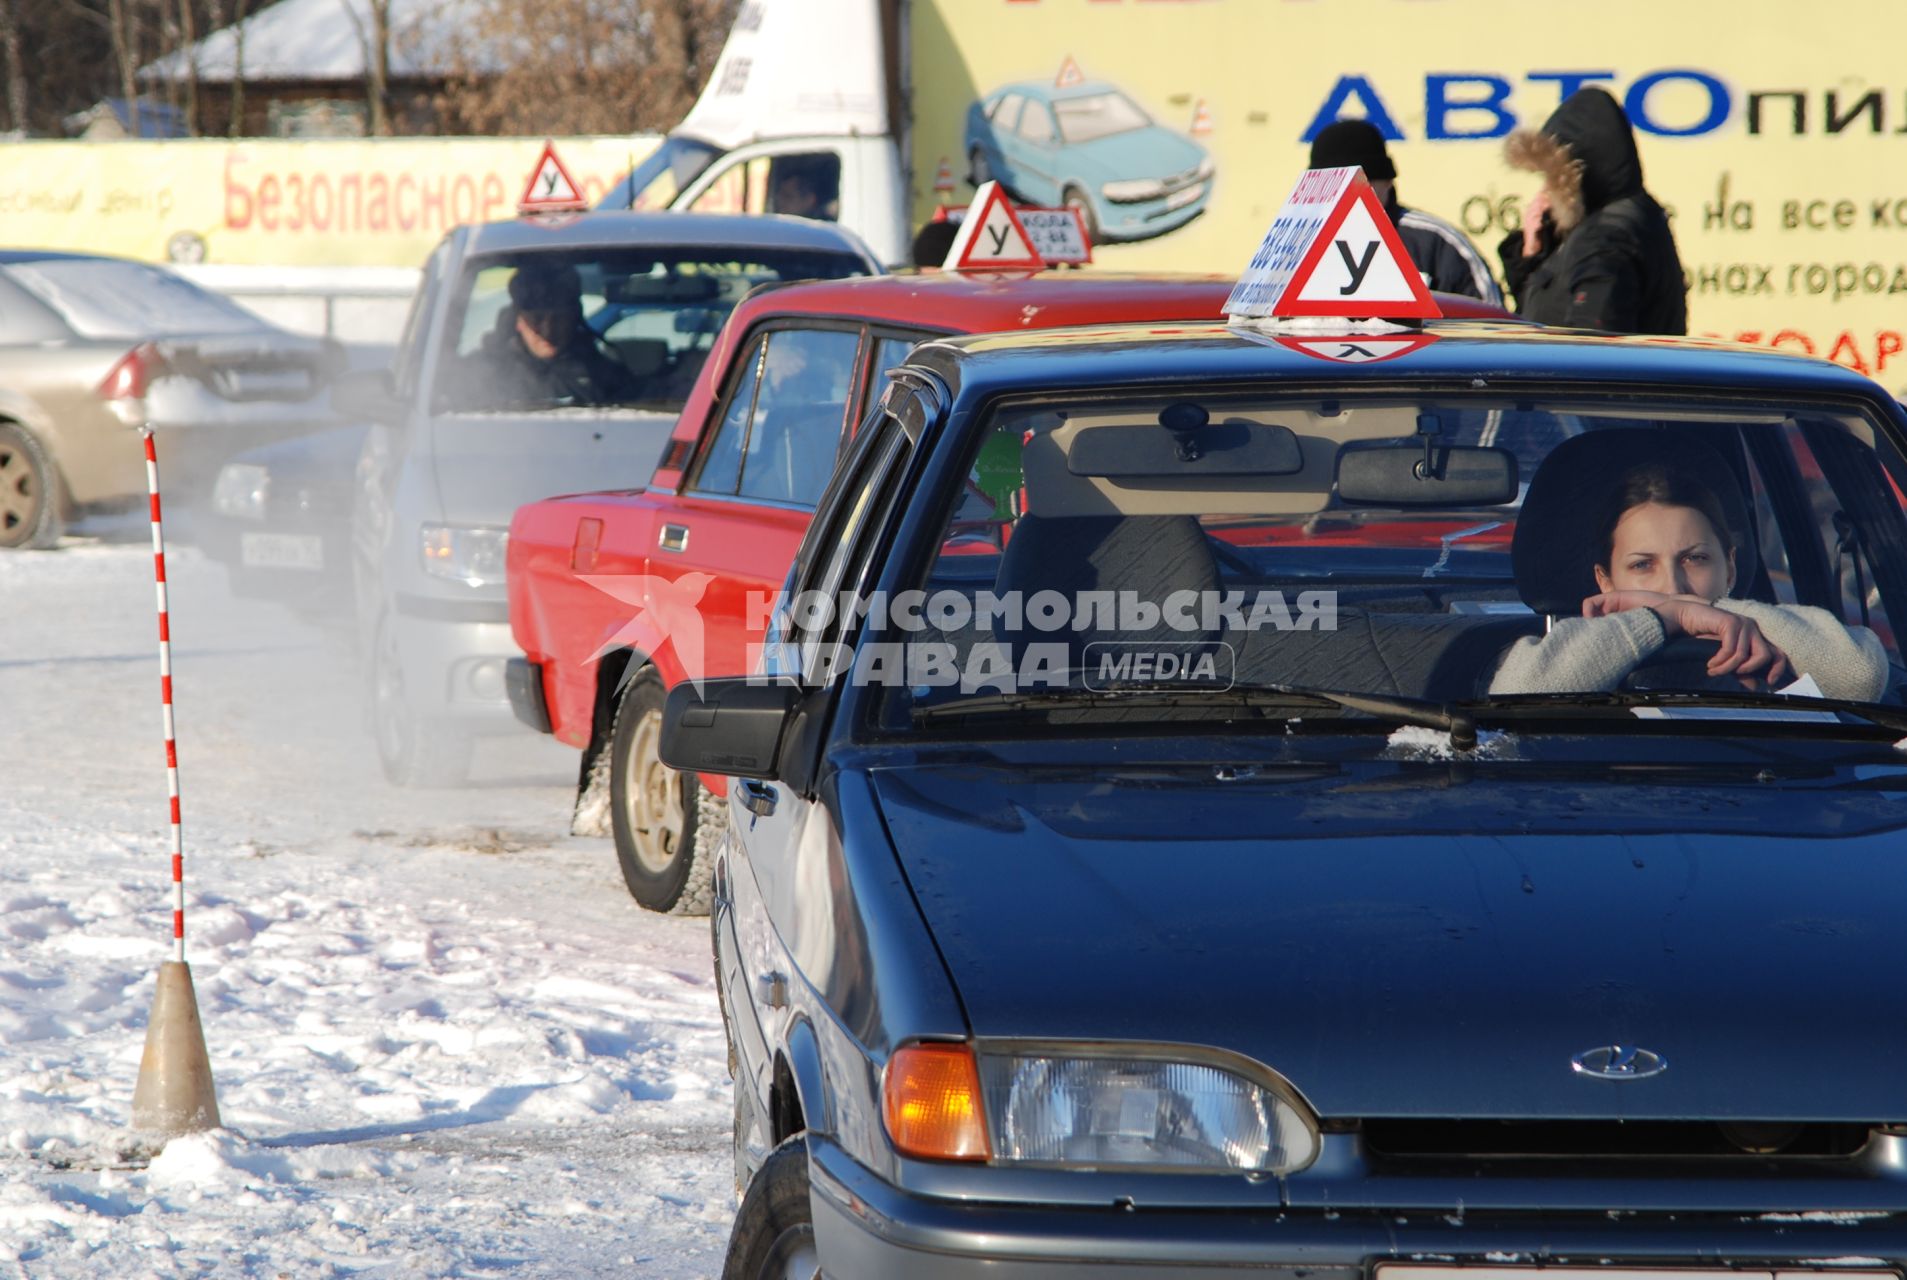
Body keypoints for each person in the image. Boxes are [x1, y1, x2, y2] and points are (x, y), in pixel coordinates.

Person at [1490, 463, 1888, 699]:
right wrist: (1661, 619)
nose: (1673, 586)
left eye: (1695, 559)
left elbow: (1859, 678)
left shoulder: (1775, 633)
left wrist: (1714, 614)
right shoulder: (1569, 650)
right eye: (1643, 565)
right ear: (1605, 581)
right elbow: (1512, 697)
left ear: (1729, 568)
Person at [1498, 86, 1687, 334]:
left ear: (1574, 177)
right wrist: (1533, 258)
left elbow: (1594, 347)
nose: (1544, 193)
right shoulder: (1621, 220)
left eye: (1551, 179)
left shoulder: (1606, 241)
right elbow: (1546, 316)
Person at [1308, 117, 1502, 305]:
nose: (1347, 196)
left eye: (1360, 183)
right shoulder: (1298, 243)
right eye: (1334, 186)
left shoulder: (1438, 243)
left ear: (1387, 181)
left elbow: (1491, 325)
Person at [466, 262, 634, 409]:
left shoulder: (605, 377)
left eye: (559, 319)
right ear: (518, 321)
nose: (548, 331)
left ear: (575, 319)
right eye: (537, 319)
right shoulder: (482, 375)